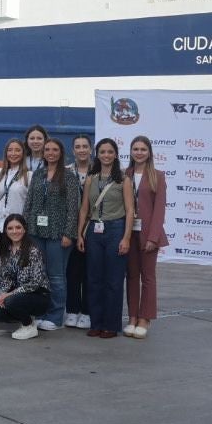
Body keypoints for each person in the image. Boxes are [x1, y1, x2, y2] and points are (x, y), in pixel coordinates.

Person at [77, 138, 135, 340]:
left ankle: (111, 325)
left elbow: (129, 211)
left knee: (114, 280)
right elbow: (84, 208)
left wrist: (126, 238)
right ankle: (96, 322)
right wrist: (80, 234)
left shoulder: (123, 179)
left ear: (116, 154)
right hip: (94, 230)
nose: (106, 155)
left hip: (115, 229)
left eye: (110, 152)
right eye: (102, 152)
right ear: (97, 154)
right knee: (93, 279)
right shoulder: (91, 179)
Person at [25, 138, 81, 332]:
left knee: (56, 276)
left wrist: (69, 233)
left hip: (59, 233)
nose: (50, 152)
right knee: (40, 275)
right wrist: (26, 229)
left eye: (54, 149)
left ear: (61, 152)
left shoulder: (69, 176)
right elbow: (29, 202)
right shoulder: (38, 174)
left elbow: (74, 208)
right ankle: (41, 312)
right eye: (47, 149)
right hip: (36, 231)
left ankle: (56, 316)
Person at [124, 136, 166, 339]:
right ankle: (132, 316)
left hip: (149, 234)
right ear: (131, 152)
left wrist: (154, 236)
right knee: (131, 276)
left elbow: (159, 210)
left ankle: (145, 318)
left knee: (147, 277)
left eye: (143, 149)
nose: (139, 152)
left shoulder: (158, 176)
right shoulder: (125, 174)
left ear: (149, 152)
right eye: (135, 149)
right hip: (128, 233)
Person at [0, 215, 51, 341]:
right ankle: (25, 318)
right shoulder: (6, 250)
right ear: (6, 231)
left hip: (39, 295)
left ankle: (28, 325)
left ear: (24, 229)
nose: (14, 231)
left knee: (10, 301)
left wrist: (10, 295)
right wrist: (4, 293)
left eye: (18, 227)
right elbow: (4, 277)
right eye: (10, 228)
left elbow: (35, 283)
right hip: (19, 295)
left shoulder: (33, 251)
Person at [64, 134, 96, 328]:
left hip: (93, 227)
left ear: (90, 149)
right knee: (72, 271)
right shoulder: (66, 171)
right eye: (78, 146)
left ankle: (87, 311)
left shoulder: (100, 171)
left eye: (85, 146)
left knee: (90, 272)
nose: (82, 149)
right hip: (71, 226)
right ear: (73, 150)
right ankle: (72, 310)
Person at [0, 138, 30, 240]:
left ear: (23, 154)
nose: (13, 153)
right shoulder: (0, 175)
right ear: (6, 153)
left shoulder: (29, 176)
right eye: (10, 150)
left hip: (18, 228)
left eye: (17, 150)